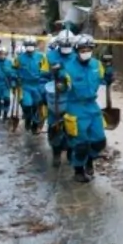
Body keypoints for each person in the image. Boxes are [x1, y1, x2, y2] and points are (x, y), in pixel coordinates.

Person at [57, 34, 113, 183]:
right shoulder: (68, 67)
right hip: (75, 107)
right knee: (80, 144)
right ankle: (78, 169)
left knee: (99, 141)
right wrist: (61, 83)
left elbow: (103, 80)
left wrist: (108, 75)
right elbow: (63, 86)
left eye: (89, 49)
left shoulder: (96, 65)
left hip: (92, 106)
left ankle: (89, 158)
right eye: (82, 49)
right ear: (76, 50)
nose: (86, 51)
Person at [45, 30, 76, 166]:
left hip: (72, 98)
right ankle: (56, 152)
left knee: (72, 127)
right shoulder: (50, 57)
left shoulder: (77, 57)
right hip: (55, 98)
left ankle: (70, 150)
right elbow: (43, 77)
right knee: (54, 126)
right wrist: (44, 93)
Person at [13, 36, 50, 134]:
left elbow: (46, 71)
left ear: (35, 46)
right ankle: (28, 119)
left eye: (32, 45)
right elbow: (14, 69)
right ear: (25, 46)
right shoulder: (19, 58)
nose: (30, 47)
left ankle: (35, 124)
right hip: (25, 86)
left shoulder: (41, 57)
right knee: (27, 104)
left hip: (38, 85)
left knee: (37, 105)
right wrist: (15, 77)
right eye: (28, 45)